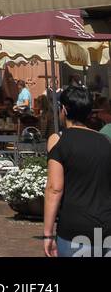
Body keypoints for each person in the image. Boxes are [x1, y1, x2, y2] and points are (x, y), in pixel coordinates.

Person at [44, 83, 111, 258]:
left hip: (74, 230)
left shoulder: (59, 141)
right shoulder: (106, 141)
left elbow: (54, 188)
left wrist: (48, 233)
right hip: (106, 228)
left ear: (64, 110)